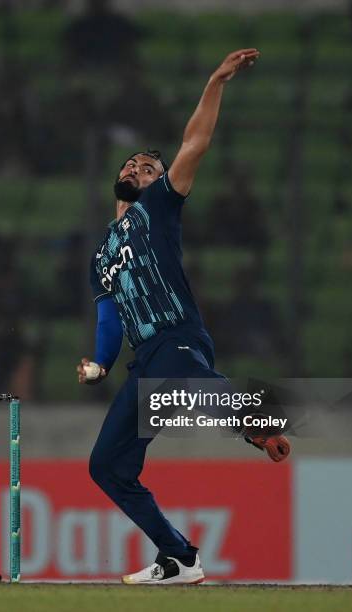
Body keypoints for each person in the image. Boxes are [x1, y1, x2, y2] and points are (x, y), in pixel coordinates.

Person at [77, 49, 290, 586]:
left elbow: (195, 142)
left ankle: (257, 419)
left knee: (187, 381)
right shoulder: (103, 252)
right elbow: (109, 316)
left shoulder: (160, 207)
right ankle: (180, 558)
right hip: (143, 361)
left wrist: (215, 81)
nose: (136, 169)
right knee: (106, 467)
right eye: (131, 165)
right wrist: (100, 365)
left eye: (149, 167)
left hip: (177, 339)